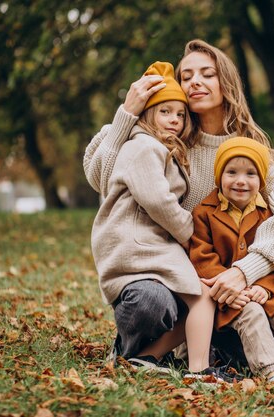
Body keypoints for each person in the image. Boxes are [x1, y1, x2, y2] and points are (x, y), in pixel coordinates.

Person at [83, 39, 274, 372]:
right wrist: (126, 113)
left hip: (232, 289)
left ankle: (200, 352)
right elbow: (100, 176)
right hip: (173, 279)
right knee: (150, 303)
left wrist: (242, 273)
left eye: (207, 74)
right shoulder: (163, 135)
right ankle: (136, 348)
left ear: (226, 83)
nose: (195, 83)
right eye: (186, 76)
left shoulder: (247, 150)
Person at [90, 61, 231, 380]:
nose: (175, 120)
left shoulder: (161, 147)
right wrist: (189, 233)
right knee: (193, 297)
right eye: (165, 112)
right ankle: (196, 369)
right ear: (147, 114)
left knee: (204, 297)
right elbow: (158, 200)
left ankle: (146, 357)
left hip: (157, 249)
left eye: (180, 114)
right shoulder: (142, 147)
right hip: (139, 250)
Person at [189, 137, 274, 383]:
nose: (241, 181)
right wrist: (230, 288)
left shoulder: (271, 214)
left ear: (261, 180)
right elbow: (202, 258)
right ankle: (269, 372)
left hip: (268, 290)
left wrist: (265, 286)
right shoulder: (204, 213)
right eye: (231, 172)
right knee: (251, 314)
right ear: (219, 176)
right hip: (230, 296)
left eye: (250, 174)